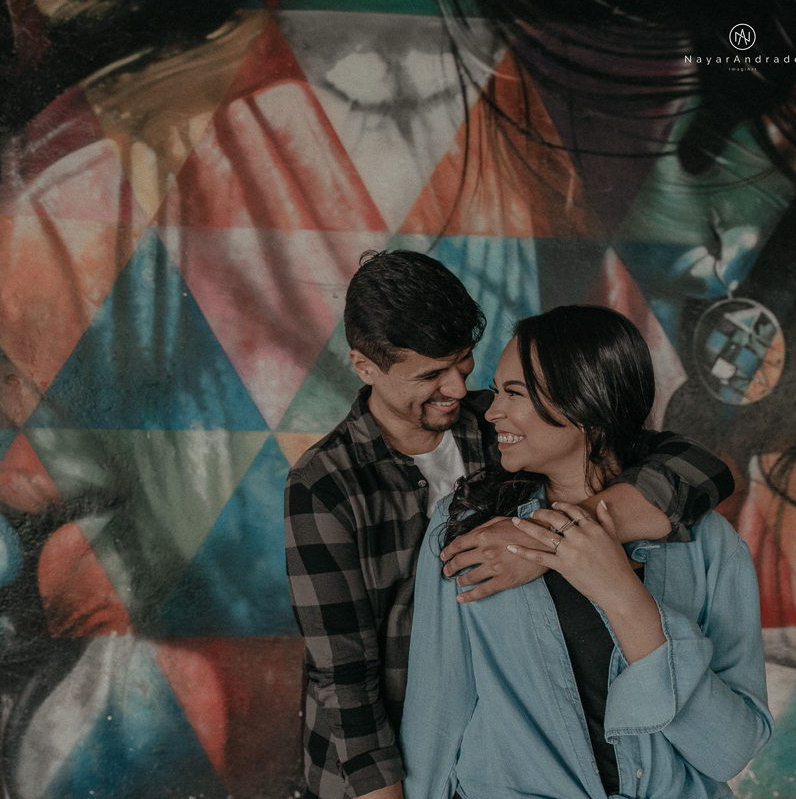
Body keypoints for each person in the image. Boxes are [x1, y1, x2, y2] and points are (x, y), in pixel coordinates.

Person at [284, 251, 736, 799]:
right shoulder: (325, 486)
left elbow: (694, 466)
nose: (457, 389)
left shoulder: (504, 428)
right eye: (431, 374)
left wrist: (543, 539)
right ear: (365, 367)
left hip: (502, 750)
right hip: (377, 769)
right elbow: (344, 679)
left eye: (464, 363)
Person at [399, 305, 771, 799]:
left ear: (584, 406)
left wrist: (623, 596)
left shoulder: (708, 545)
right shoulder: (466, 530)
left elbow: (730, 751)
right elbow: (435, 720)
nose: (490, 411)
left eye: (514, 393)